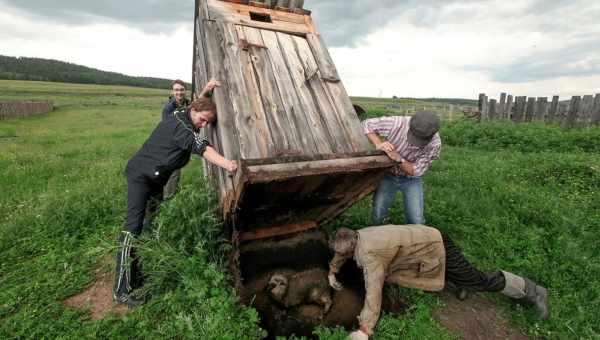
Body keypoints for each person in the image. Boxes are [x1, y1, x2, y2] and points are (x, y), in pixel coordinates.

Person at [113, 85, 237, 307]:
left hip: (154, 180)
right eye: (203, 120)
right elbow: (203, 148)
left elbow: (197, 104)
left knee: (147, 226)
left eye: (208, 122)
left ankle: (135, 273)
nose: (204, 125)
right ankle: (121, 290)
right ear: (194, 112)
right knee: (132, 229)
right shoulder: (182, 128)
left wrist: (207, 90)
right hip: (141, 177)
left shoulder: (184, 113)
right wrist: (228, 164)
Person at [327, 226, 549, 340]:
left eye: (346, 253)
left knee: (476, 279)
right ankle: (462, 282)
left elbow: (373, 291)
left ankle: (531, 290)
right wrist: (332, 270)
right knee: (459, 275)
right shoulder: (357, 235)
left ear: (353, 243)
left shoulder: (370, 254)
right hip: (421, 239)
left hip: (435, 243)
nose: (343, 255)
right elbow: (342, 253)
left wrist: (365, 328)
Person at [362, 111, 442, 225]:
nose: (416, 144)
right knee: (378, 214)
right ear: (410, 126)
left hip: (411, 180)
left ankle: (416, 236)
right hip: (388, 175)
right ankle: (381, 233)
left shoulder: (435, 144)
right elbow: (366, 124)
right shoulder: (397, 123)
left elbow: (415, 171)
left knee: (416, 220)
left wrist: (398, 159)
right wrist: (379, 144)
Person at [162, 79, 219, 199]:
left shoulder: (187, 103)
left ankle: (169, 194)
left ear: (185, 90)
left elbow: (198, 102)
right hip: (173, 145)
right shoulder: (169, 107)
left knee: (175, 171)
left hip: (184, 143)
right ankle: (168, 199)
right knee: (172, 171)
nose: (179, 92)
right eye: (176, 90)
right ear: (172, 92)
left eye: (182, 89)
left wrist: (208, 88)